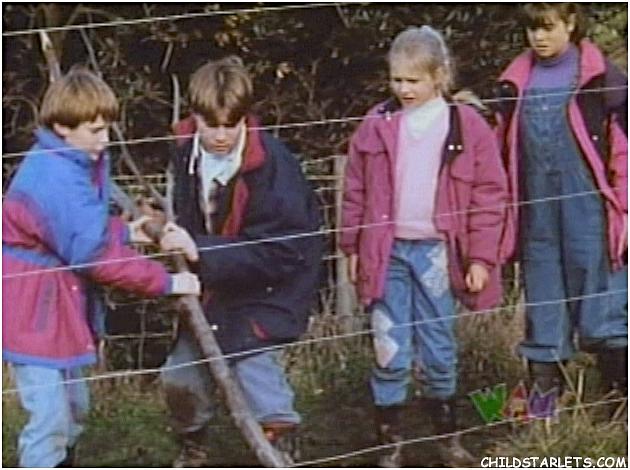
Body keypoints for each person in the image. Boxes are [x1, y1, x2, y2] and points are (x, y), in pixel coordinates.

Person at [2, 67, 201, 468]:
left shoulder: (72, 161)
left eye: (107, 128)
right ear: (62, 126)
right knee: (50, 419)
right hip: (31, 310)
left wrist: (126, 232)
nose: (105, 138)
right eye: (95, 130)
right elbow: (94, 256)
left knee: (74, 408)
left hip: (55, 304)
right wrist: (167, 282)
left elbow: (73, 229)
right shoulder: (55, 176)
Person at [340, 26, 508, 467]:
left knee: (438, 343)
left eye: (413, 80)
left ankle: (446, 437)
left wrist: (480, 257)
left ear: (439, 76)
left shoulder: (466, 126)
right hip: (387, 253)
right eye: (396, 79)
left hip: (438, 253)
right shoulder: (376, 124)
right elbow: (355, 189)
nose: (403, 89)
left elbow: (490, 196)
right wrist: (352, 247)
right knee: (388, 344)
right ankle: (388, 442)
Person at [158, 56, 323, 467]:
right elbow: (183, 218)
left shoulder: (274, 166)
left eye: (230, 125)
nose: (220, 136)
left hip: (266, 290)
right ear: (194, 116)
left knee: (254, 368)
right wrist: (160, 229)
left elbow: (282, 250)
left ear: (245, 117)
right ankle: (193, 445)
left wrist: (201, 250)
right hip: (210, 290)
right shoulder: (183, 154)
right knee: (180, 378)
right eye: (210, 124)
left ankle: (280, 444)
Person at [494, 3, 628, 398]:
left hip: (591, 212)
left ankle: (617, 404)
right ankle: (544, 408)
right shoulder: (513, 84)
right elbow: (501, 151)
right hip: (536, 213)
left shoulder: (604, 82)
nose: (539, 38)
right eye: (532, 29)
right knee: (544, 299)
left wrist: (625, 209)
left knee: (603, 300)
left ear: (570, 24)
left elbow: (623, 152)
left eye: (548, 28)